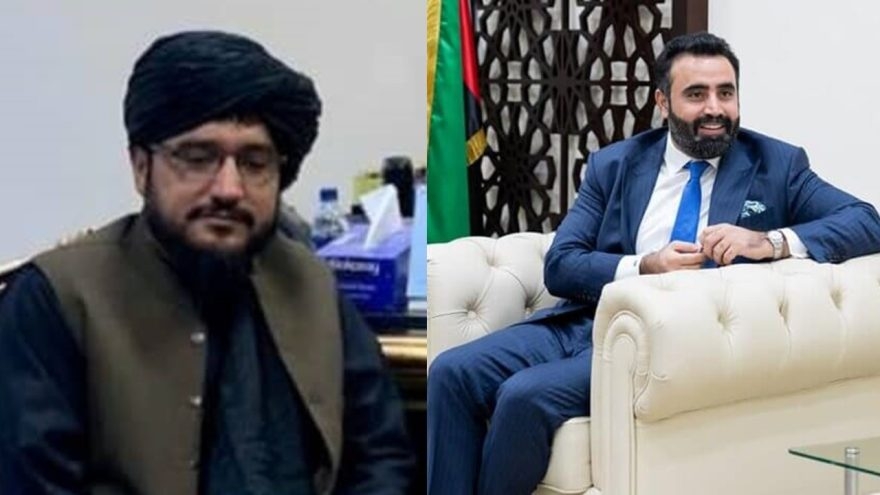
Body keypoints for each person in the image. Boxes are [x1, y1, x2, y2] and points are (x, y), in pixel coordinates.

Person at [427, 31, 880, 495]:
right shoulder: (616, 164)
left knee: (524, 396)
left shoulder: (776, 166)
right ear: (663, 102)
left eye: (726, 93)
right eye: (696, 94)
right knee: (450, 372)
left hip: (671, 339)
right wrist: (645, 266)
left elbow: (866, 221)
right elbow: (561, 264)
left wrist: (770, 242)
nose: (715, 109)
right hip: (585, 319)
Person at [0, 30, 414, 495]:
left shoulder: (311, 283)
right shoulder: (56, 297)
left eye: (255, 163)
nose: (229, 189)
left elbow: (380, 456)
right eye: (198, 158)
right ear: (141, 167)